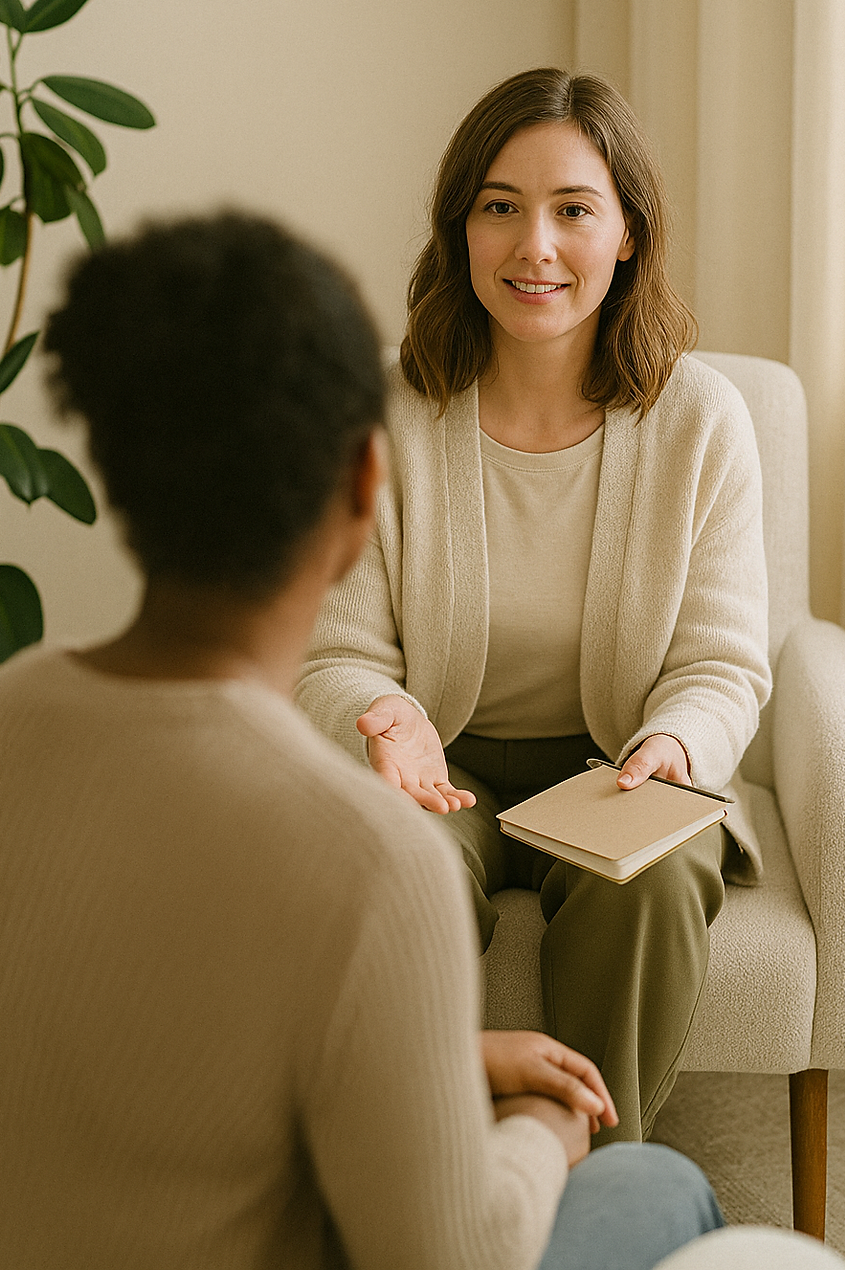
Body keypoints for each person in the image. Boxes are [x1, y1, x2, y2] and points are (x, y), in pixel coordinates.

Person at [0, 211, 724, 1269]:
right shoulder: (369, 861)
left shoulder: (5, 728)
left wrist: (451, 1060)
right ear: (368, 483)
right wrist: (539, 1131)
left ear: (110, 470)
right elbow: (448, 1256)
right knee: (659, 1185)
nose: (536, 243)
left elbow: (173, 1051)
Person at [298, 68, 773, 1143]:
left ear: (628, 235)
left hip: (617, 770)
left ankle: (591, 1174)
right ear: (459, 229)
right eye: (500, 207)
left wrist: (672, 746)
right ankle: (412, 1170)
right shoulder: (378, 412)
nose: (535, 247)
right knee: (387, 866)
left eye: (573, 210)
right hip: (438, 766)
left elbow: (721, 664)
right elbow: (335, 652)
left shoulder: (701, 420)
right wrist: (386, 719)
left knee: (656, 875)